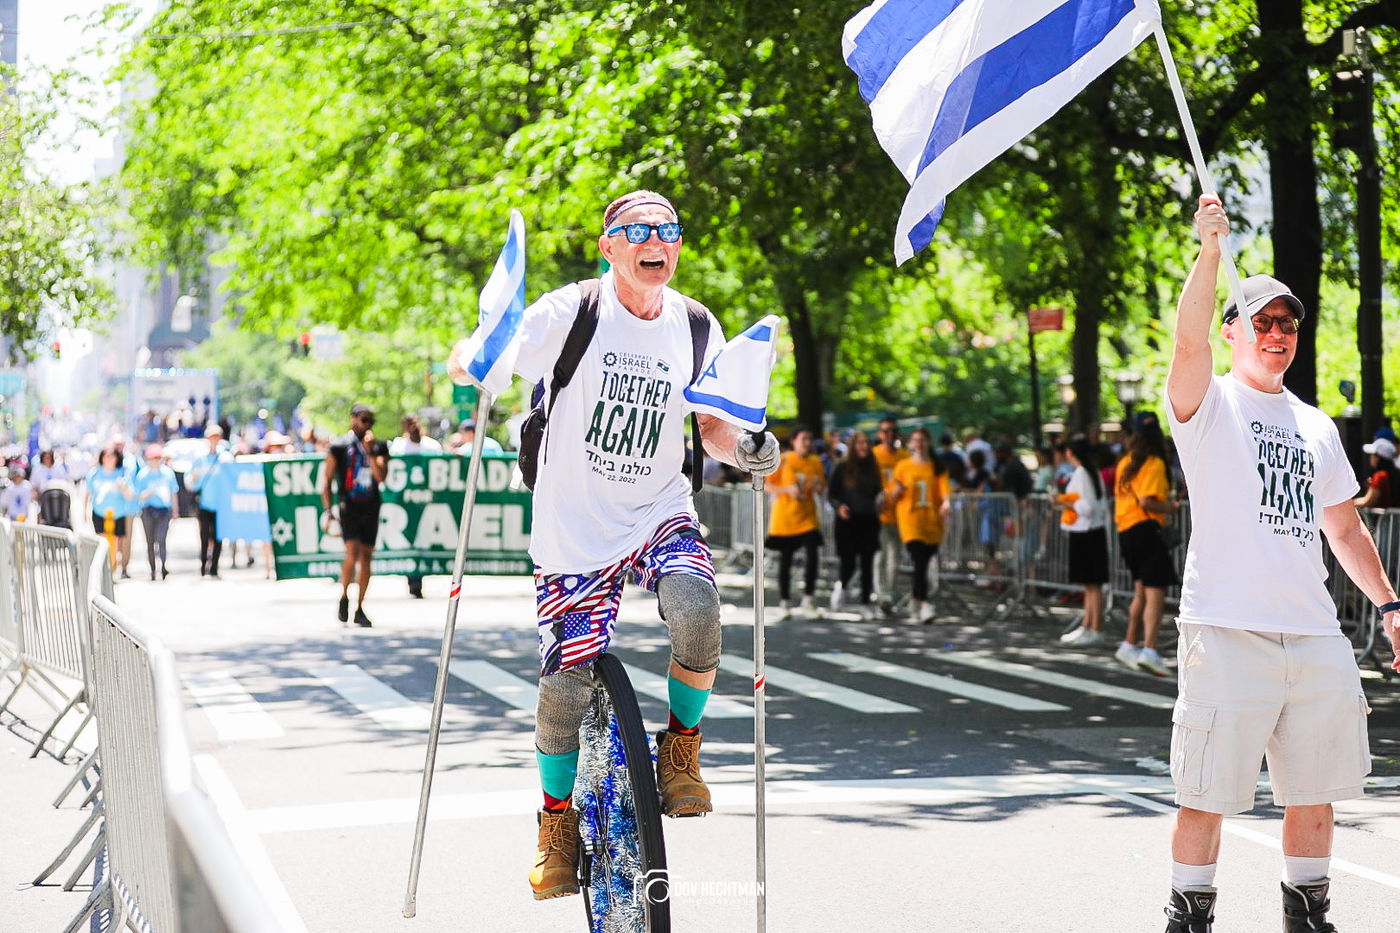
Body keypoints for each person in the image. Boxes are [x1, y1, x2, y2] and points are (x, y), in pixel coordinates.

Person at [447, 189, 779, 901]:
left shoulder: (694, 323)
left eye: (668, 230)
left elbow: (714, 425)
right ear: (609, 246)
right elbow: (480, 360)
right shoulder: (570, 313)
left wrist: (749, 446)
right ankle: (556, 826)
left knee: (697, 607)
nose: (655, 240)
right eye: (637, 230)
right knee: (563, 686)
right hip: (573, 527)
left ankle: (680, 752)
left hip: (659, 507)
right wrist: (469, 354)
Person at [1159, 194, 1400, 933]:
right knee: (1206, 793)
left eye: (1287, 325)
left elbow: (1345, 528)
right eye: (1261, 321)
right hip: (1227, 629)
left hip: (1313, 633)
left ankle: (1308, 913)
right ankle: (1190, 915)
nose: (1276, 334)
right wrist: (1209, 251)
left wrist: (1392, 607)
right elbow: (1189, 343)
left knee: (1316, 791)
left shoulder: (1317, 425)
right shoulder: (1210, 404)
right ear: (1235, 330)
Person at [1112, 411, 1177, 676]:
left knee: (1140, 590)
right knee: (1155, 592)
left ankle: (1129, 643)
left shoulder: (1125, 463)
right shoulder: (1154, 463)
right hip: (1146, 529)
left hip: (1125, 530)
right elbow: (1147, 502)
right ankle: (1149, 648)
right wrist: (1170, 508)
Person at [321, 404, 390, 627]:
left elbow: (381, 477)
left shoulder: (378, 446)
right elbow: (327, 479)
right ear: (353, 419)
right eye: (363, 419)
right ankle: (344, 595)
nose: (367, 425)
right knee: (352, 552)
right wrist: (328, 509)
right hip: (348, 506)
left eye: (371, 421)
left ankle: (360, 607)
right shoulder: (339, 446)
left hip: (370, 506)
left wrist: (370, 452)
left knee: (367, 556)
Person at [890, 428, 951, 623]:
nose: (919, 444)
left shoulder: (937, 466)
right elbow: (892, 494)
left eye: (922, 440)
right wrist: (896, 491)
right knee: (919, 560)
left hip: (932, 522)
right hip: (910, 520)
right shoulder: (903, 466)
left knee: (922, 563)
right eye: (915, 440)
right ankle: (925, 604)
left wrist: (947, 503)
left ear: (928, 442)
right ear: (910, 443)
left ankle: (915, 600)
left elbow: (945, 491)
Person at [764, 427, 825, 617]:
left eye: (810, 438)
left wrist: (817, 486)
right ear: (794, 441)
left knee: (813, 554)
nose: (807, 442)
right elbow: (766, 485)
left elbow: (822, 485)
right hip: (785, 517)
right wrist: (787, 490)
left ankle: (808, 599)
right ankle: (785, 601)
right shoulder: (784, 460)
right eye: (804, 438)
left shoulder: (815, 461)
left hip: (807, 517)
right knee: (786, 559)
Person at [1057, 435, 1108, 647]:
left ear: (1071, 452)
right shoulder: (1092, 472)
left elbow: (1086, 508)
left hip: (1085, 531)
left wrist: (1064, 503)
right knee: (1091, 585)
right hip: (1093, 531)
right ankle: (1088, 626)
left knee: (1091, 584)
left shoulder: (1081, 473)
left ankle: (1094, 628)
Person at [828, 430, 884, 615]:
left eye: (867, 443)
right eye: (860, 443)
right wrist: (839, 507)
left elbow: (878, 491)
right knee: (848, 562)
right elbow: (832, 494)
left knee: (868, 563)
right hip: (848, 520)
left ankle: (866, 601)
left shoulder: (873, 467)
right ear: (854, 446)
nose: (864, 447)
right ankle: (841, 589)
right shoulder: (842, 466)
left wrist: (881, 501)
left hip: (868, 519)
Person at [389, 414, 443, 598]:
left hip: (428, 503)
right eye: (408, 424)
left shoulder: (432, 446)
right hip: (405, 504)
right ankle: (413, 580)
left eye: (415, 423)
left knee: (425, 539)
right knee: (410, 539)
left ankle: (420, 576)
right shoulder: (398, 447)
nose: (413, 427)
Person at [872, 418, 909, 611]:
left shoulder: (904, 457)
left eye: (893, 431)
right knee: (881, 556)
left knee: (895, 557)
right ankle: (882, 595)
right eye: (885, 431)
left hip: (900, 515)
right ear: (879, 434)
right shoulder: (874, 455)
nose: (889, 435)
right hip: (879, 514)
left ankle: (889, 592)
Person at [185, 423, 230, 578]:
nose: (214, 440)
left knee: (218, 536)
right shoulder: (200, 459)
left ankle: (215, 567)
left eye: (217, 437)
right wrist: (194, 478)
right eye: (211, 437)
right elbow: (189, 483)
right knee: (204, 535)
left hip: (221, 504)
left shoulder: (225, 457)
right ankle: (203, 565)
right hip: (204, 503)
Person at [134, 444, 180, 581]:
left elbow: (173, 492)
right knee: (150, 541)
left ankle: (164, 566)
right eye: (153, 458)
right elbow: (138, 495)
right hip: (147, 510)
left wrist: (175, 510)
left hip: (164, 510)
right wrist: (148, 493)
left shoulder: (167, 473)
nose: (155, 461)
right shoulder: (142, 475)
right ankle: (153, 569)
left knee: (161, 539)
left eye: (158, 458)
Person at [86, 447, 136, 569]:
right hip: (99, 513)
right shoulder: (95, 473)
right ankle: (105, 568)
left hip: (118, 513)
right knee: (103, 542)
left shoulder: (122, 473)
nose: (109, 459)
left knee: (116, 543)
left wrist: (123, 487)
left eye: (112, 456)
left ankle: (113, 567)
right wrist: (84, 511)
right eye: (106, 456)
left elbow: (130, 495)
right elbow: (88, 493)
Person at [1353, 436, 1398, 510]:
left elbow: (1367, 502)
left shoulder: (1380, 476)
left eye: (1373, 454)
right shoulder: (1392, 472)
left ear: (1379, 457)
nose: (1370, 457)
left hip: (1382, 520)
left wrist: (1348, 504)